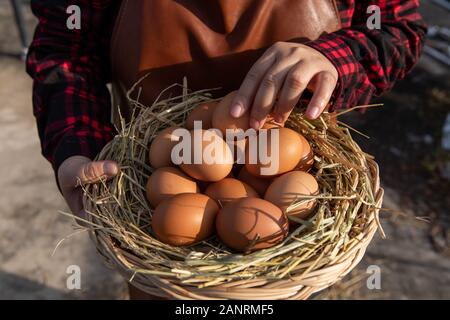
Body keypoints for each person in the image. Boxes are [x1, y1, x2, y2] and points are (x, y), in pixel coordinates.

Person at [26, 0, 426, 299]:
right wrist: (76, 147)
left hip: (291, 246)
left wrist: (333, 57)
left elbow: (396, 29)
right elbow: (67, 47)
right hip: (159, 236)